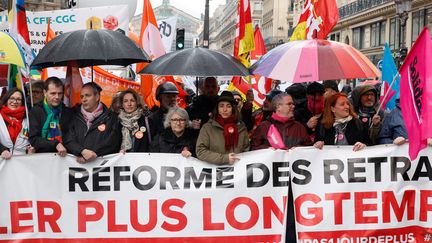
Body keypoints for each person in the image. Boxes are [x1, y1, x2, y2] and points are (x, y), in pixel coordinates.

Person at [64, 82, 121, 163]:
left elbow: (112, 143)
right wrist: (82, 151)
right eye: (82, 96)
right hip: (76, 167)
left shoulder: (111, 117)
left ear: (97, 97)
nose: (84, 99)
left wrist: (91, 154)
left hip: (101, 168)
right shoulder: (74, 115)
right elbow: (68, 139)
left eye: (87, 95)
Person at [196, 91, 250, 165]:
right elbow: (200, 151)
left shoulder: (241, 127)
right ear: (217, 109)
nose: (224, 110)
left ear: (233, 108)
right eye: (221, 106)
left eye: (228, 106)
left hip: (237, 172)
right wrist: (224, 159)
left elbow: (246, 149)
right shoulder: (207, 128)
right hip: (215, 172)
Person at [29, 77, 74, 155]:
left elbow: (71, 137)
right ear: (45, 93)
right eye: (53, 93)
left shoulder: (68, 112)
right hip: (42, 157)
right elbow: (34, 139)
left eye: (60, 93)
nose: (57, 97)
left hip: (64, 157)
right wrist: (55, 144)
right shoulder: (36, 111)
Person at [0, 88, 34, 159]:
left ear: (22, 102)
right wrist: (2, 150)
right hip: (2, 162)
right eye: (12, 98)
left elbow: (32, 138)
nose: (15, 102)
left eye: (18, 99)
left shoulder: (27, 119)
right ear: (6, 100)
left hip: (22, 162)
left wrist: (31, 149)